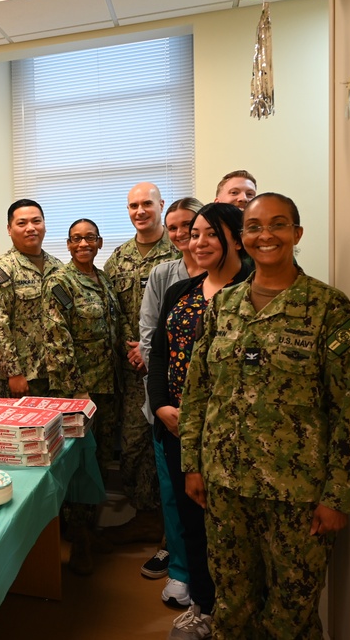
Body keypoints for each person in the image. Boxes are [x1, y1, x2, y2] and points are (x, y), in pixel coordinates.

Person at [180, 193, 350, 639]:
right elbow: (198, 390)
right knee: (232, 607)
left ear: (297, 234)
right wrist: (192, 462)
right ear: (242, 239)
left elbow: (347, 409)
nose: (267, 235)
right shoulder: (224, 305)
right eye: (255, 227)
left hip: (297, 496)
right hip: (225, 488)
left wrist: (338, 495)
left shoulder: (327, 308)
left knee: (291, 616)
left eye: (278, 225)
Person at [147, 203, 251, 633]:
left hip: (232, 434)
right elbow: (157, 353)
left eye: (212, 233)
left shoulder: (255, 290)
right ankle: (204, 608)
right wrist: (159, 405)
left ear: (237, 239)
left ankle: (237, 612)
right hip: (177, 428)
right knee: (192, 522)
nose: (200, 241)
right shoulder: (181, 292)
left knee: (233, 527)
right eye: (195, 233)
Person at [103, 182, 179, 544]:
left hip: (169, 367)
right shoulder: (118, 258)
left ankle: (172, 528)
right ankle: (146, 517)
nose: (140, 211)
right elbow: (110, 312)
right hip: (132, 373)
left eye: (147, 204)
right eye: (133, 205)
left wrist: (149, 350)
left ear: (160, 205)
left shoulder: (179, 248)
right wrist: (130, 348)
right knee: (133, 446)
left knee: (169, 446)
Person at [45, 218, 120, 576]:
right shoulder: (60, 282)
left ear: (100, 242)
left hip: (108, 387)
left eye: (90, 237)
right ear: (69, 244)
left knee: (100, 460)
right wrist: (77, 390)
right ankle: (75, 541)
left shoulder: (102, 279)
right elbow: (57, 340)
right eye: (76, 239)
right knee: (77, 467)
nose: (83, 244)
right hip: (77, 393)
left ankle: (91, 531)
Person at [136, 197, 203, 592]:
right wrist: (163, 400)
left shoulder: (230, 277)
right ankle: (180, 570)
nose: (182, 236)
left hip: (209, 412)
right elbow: (150, 339)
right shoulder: (164, 274)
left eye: (191, 228)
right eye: (175, 228)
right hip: (166, 407)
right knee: (174, 495)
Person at [0, 198, 62, 398]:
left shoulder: (58, 267)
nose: (31, 228)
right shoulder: (1, 270)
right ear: (9, 229)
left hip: (57, 374)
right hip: (23, 377)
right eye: (22, 223)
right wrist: (13, 372)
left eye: (36, 221)